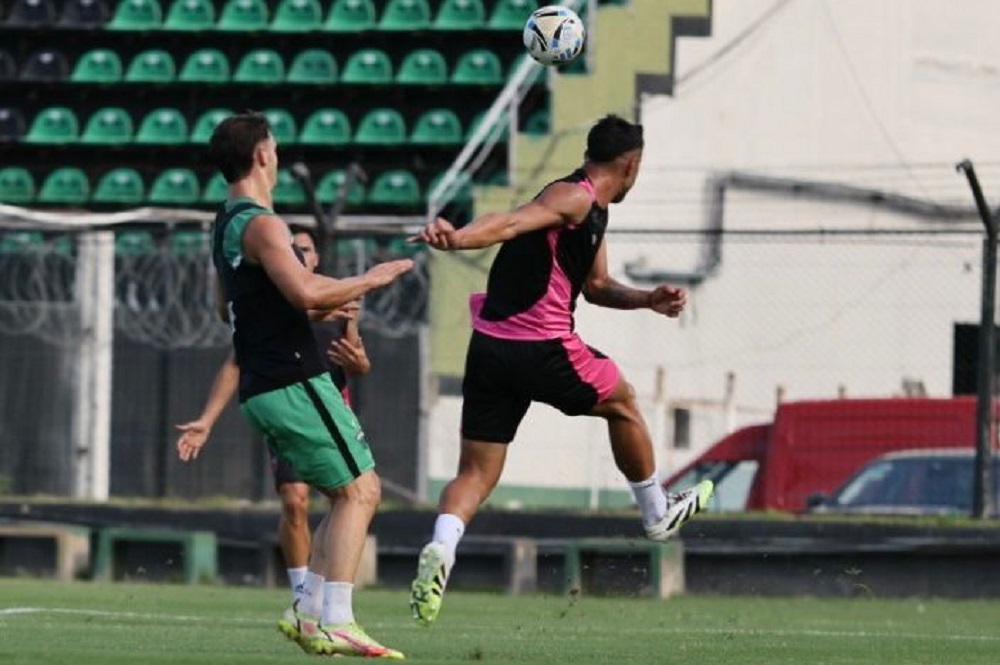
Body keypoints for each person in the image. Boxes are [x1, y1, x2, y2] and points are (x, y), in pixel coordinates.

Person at [408, 114, 714, 627]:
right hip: (541, 347)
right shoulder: (574, 197)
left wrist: (647, 299)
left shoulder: (592, 209)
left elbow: (595, 286)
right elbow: (508, 223)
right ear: (631, 164)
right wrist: (456, 238)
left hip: (490, 347)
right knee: (624, 400)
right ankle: (657, 513)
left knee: (476, 473)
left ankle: (442, 547)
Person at [204, 112, 411, 658]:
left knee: (341, 495)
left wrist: (322, 299)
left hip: (264, 385)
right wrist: (371, 277)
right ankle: (337, 619)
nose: (276, 152)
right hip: (293, 379)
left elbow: (233, 302)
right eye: (273, 144)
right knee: (362, 491)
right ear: (263, 156)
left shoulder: (225, 222)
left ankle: (307, 610)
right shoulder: (264, 224)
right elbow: (301, 293)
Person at [175, 227, 371, 620]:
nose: (298, 254)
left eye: (305, 249)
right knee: (296, 500)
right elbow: (236, 361)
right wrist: (207, 420)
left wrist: (358, 363)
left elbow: (359, 361)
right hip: (290, 405)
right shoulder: (274, 305)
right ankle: (308, 596)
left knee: (346, 500)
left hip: (330, 408)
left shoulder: (340, 300)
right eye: (291, 249)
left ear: (314, 258)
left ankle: (310, 604)